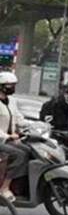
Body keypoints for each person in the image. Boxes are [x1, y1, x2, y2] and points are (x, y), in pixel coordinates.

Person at [0, 72, 30, 202]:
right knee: (19, 155)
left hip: (11, 139)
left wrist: (34, 126)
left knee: (29, 150)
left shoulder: (12, 101)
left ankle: (18, 186)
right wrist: (7, 136)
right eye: (9, 85)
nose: (12, 87)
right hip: (3, 139)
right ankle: (4, 187)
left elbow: (18, 118)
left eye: (13, 85)